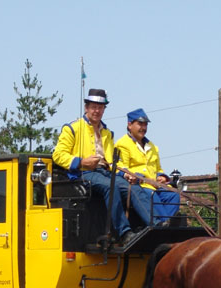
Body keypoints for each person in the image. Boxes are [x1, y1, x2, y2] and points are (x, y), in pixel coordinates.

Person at [52, 88, 152, 246]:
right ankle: (124, 233)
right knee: (110, 187)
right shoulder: (72, 128)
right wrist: (82, 162)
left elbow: (112, 162)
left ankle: (154, 225)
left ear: (104, 109)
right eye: (93, 107)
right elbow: (58, 155)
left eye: (100, 107)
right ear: (86, 108)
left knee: (132, 187)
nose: (96, 110)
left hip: (104, 172)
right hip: (83, 173)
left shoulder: (107, 133)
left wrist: (125, 174)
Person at [114, 108, 180, 226]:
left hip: (156, 186)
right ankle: (164, 226)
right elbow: (122, 168)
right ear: (129, 125)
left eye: (145, 125)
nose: (143, 128)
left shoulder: (152, 146)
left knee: (173, 195)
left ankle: (168, 224)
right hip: (139, 186)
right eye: (140, 124)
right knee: (153, 197)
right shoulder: (122, 144)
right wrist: (140, 177)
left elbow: (158, 169)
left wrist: (162, 177)